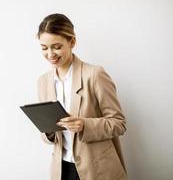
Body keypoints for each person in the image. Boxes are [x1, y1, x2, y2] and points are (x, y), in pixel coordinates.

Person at [36, 13, 128, 180]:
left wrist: (84, 125)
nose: (50, 54)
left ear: (72, 42)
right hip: (61, 170)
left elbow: (119, 123)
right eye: (44, 48)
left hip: (98, 170)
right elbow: (48, 136)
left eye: (56, 47)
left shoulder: (94, 75)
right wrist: (48, 130)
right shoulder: (43, 82)